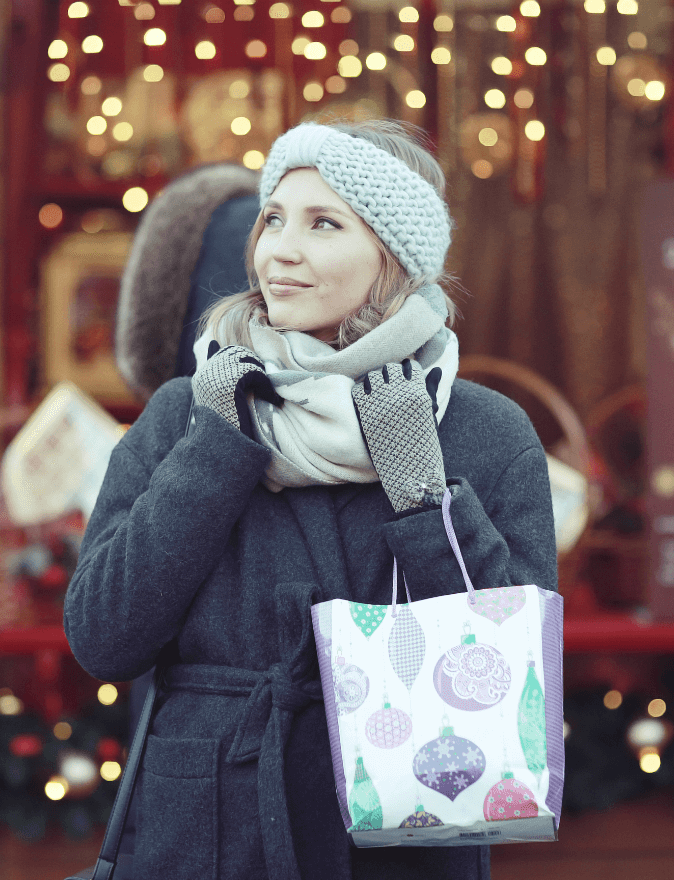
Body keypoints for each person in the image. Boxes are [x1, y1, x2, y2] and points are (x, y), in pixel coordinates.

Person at [64, 119, 557, 880]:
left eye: (323, 223)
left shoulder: (481, 431)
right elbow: (103, 637)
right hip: (205, 836)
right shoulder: (190, 410)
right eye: (274, 219)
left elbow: (508, 675)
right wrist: (217, 450)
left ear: (392, 259)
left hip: (399, 840)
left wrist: (423, 497)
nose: (278, 250)